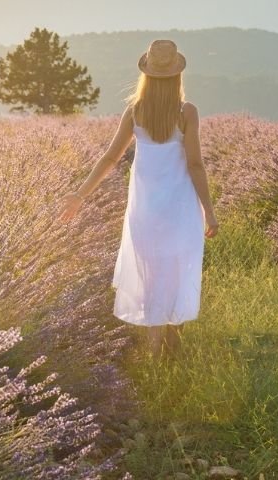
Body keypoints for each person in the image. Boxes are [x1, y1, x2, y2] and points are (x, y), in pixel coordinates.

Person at [58, 39, 218, 355]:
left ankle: (156, 350)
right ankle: (174, 342)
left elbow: (109, 159)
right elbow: (195, 164)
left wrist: (79, 195)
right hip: (180, 207)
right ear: (177, 77)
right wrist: (209, 211)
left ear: (146, 74)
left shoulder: (135, 112)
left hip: (145, 210)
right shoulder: (186, 112)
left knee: (152, 275)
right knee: (177, 269)